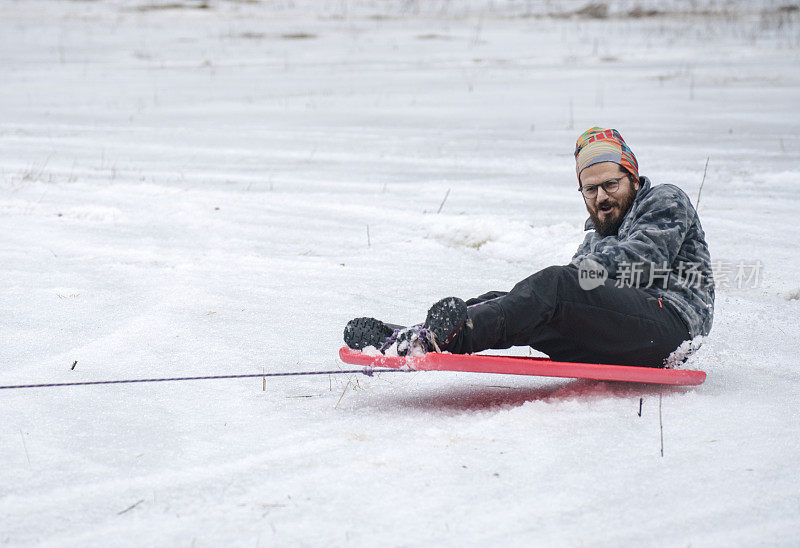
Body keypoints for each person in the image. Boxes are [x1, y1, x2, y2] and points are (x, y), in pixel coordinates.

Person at [344, 127, 714, 367]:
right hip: (625, 330)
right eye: (590, 189)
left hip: (671, 327)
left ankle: (444, 336)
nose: (601, 196)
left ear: (632, 176)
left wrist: (564, 285)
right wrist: (546, 295)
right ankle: (415, 338)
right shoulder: (601, 226)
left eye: (611, 184)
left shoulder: (664, 199)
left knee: (551, 289)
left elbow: (643, 263)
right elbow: (584, 285)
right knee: (522, 302)